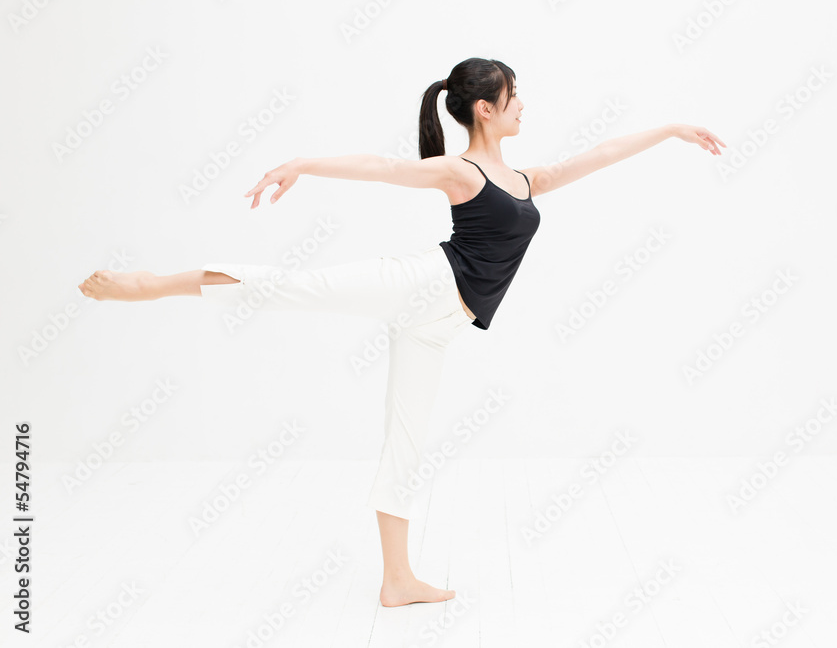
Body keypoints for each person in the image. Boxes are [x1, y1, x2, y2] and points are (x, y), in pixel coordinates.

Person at [77, 56, 725, 607]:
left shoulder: (525, 180)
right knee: (296, 285)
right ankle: (150, 284)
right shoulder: (461, 172)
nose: (523, 105)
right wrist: (301, 161)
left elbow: (598, 156)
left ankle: (397, 579)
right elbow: (381, 167)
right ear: (483, 111)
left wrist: (669, 129)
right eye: (512, 97)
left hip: (441, 325)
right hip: (423, 286)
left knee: (406, 440)